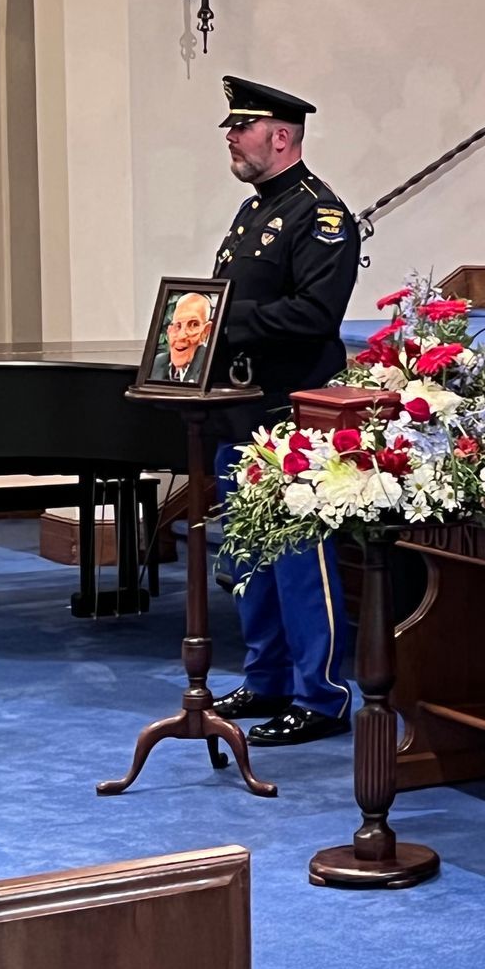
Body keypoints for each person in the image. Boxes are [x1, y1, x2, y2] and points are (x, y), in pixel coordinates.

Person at [207, 76, 362, 746]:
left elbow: (315, 315)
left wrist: (224, 319)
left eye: (240, 127)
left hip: (294, 415)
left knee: (301, 560)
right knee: (249, 558)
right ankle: (266, 676)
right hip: (241, 410)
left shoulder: (321, 216)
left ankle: (320, 697)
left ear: (281, 135)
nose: (231, 138)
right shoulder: (252, 212)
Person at [154, 291, 214, 383]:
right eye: (177, 326)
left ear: (206, 331)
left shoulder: (210, 365)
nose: (181, 336)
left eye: (193, 325)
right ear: (169, 330)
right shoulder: (157, 362)